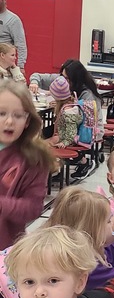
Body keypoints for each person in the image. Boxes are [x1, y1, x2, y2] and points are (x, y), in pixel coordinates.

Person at [0, 80, 57, 250]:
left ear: (27, 121)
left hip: (5, 248)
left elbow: (33, 208)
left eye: (18, 115)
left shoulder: (34, 159)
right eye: (2, 113)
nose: (9, 122)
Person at [61, 59, 104, 177]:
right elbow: (40, 76)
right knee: (53, 131)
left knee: (59, 136)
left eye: (67, 78)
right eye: (62, 77)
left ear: (75, 78)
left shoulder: (87, 93)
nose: (64, 81)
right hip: (81, 127)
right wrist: (34, 81)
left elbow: (81, 118)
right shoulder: (71, 85)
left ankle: (83, 161)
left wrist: (66, 105)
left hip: (91, 130)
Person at [49, 75, 82, 148]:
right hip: (62, 136)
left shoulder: (68, 111)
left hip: (65, 140)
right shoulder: (71, 103)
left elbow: (71, 132)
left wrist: (64, 143)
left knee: (41, 145)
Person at [0, 0, 27, 71]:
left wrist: (20, 67)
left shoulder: (13, 20)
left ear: (4, 0)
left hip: (5, 65)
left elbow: (21, 44)